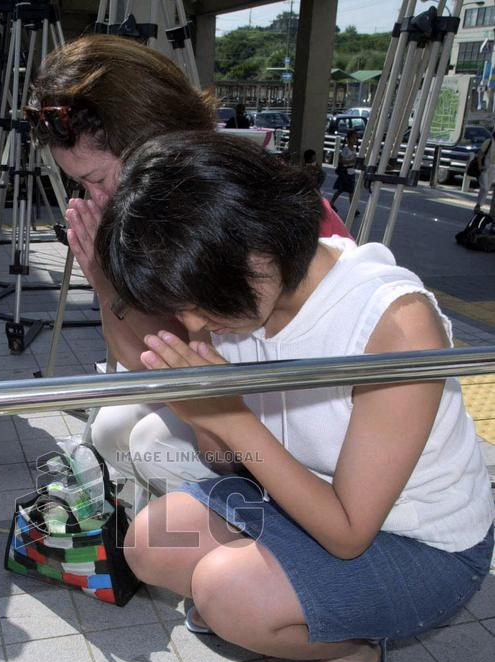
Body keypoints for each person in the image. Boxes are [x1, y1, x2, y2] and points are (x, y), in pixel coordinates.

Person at [93, 131, 494, 662]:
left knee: (229, 595)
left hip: (419, 542)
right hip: (291, 498)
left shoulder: (392, 324)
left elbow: (348, 533)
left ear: (258, 244)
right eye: (185, 308)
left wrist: (229, 414)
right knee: (152, 541)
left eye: (202, 303)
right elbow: (227, 462)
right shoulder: (240, 297)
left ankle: (352, 648)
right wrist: (207, 415)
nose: (197, 323)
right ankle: (287, 602)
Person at [27, 35, 351, 493]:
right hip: (245, 403)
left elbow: (183, 365)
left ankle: (241, 538)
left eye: (97, 179)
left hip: (307, 424)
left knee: (151, 442)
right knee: (114, 429)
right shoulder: (176, 207)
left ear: (153, 145)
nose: (95, 198)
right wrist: (106, 283)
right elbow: (155, 358)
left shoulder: (233, 216)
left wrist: (112, 283)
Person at [330, 129, 358, 213]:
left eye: (356, 138)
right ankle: (332, 203)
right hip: (346, 172)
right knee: (342, 189)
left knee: (349, 191)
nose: (355, 140)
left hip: (351, 172)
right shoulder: (346, 149)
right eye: (353, 138)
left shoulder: (354, 149)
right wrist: (351, 162)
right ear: (348, 139)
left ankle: (353, 208)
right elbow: (341, 160)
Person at [474, 128, 495, 218]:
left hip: (493, 168)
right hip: (485, 167)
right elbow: (480, 154)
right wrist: (479, 166)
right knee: (485, 187)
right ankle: (478, 205)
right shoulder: (489, 142)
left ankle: (478, 206)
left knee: (487, 187)